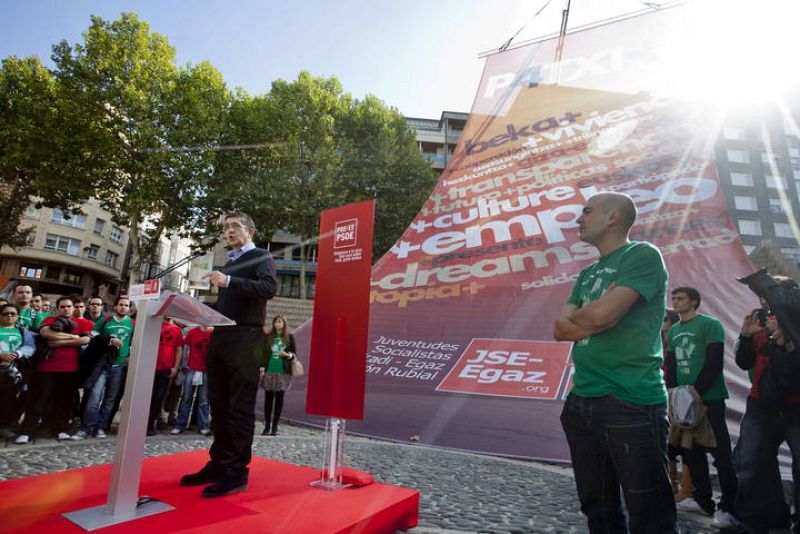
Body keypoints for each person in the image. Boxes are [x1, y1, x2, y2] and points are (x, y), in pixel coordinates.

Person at [553, 192, 676, 533]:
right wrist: (593, 317)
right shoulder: (587, 272)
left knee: (650, 514)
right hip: (581, 402)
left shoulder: (642, 255)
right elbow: (560, 329)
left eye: (587, 211)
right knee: (598, 509)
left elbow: (604, 315)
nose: (579, 219)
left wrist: (588, 316)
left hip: (630, 401)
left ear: (613, 217)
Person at [180, 212, 277, 498]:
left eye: (235, 226)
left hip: (246, 338)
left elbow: (269, 289)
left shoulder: (261, 256)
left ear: (250, 230)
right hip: (220, 336)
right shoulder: (229, 263)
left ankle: (236, 472)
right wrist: (194, 307)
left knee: (239, 408)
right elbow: (226, 300)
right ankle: (219, 462)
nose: (229, 231)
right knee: (218, 405)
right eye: (226, 227)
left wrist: (230, 281)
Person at [665, 287, 739, 528]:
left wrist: (696, 390)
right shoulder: (674, 330)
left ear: (694, 302)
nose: (675, 302)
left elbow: (714, 361)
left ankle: (729, 507)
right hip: (683, 400)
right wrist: (676, 394)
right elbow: (672, 365)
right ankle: (703, 499)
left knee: (720, 452)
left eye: (680, 298)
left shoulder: (710, 324)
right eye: (673, 298)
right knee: (690, 450)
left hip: (709, 397)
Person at [734, 276, 800, 533]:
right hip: (761, 404)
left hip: (795, 406)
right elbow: (744, 362)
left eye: (767, 293)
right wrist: (746, 336)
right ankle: (765, 519)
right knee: (751, 461)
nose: (763, 299)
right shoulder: (760, 318)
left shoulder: (794, 320)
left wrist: (784, 340)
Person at [15, 297, 92, 444]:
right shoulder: (50, 320)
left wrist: (59, 342)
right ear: (57, 308)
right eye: (62, 306)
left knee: (64, 401)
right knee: (38, 400)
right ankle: (27, 431)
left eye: (69, 306)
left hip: (70, 369)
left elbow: (85, 340)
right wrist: (72, 337)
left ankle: (60, 429)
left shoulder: (82, 323)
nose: (66, 309)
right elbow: (46, 334)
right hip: (46, 368)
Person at [73, 297, 134, 440]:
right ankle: (87, 428)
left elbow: (134, 341)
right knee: (94, 397)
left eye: (126, 305)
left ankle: (101, 427)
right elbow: (93, 335)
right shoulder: (105, 320)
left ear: (129, 309)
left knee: (110, 400)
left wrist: (129, 356)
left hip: (119, 365)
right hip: (101, 365)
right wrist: (108, 340)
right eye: (121, 305)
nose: (123, 307)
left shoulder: (132, 323)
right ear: (115, 306)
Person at [0, 304, 36, 437]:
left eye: (12, 313)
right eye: (5, 313)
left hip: (14, 371)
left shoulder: (22, 331)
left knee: (10, 398)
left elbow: (30, 347)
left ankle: (5, 425)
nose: (9, 316)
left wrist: (18, 353)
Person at [171, 325, 213, 435]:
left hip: (206, 370)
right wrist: (184, 366)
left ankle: (203, 425)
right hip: (191, 368)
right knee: (186, 398)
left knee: (204, 401)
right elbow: (185, 349)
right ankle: (180, 425)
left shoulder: (213, 333)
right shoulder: (192, 332)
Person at [258, 315, 297, 436]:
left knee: (279, 398)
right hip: (270, 370)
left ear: (284, 323)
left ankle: (275, 426)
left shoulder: (289, 337)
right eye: (275, 322)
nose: (277, 324)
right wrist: (262, 369)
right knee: (268, 398)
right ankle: (267, 426)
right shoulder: (269, 337)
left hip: (283, 371)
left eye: (280, 322)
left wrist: (287, 355)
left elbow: (294, 354)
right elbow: (264, 354)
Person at [148, 317, 183, 435]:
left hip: (166, 368)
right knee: (147, 396)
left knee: (159, 397)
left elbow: (179, 350)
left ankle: (152, 423)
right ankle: (144, 423)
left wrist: (175, 367)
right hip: (150, 366)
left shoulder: (177, 330)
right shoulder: (154, 325)